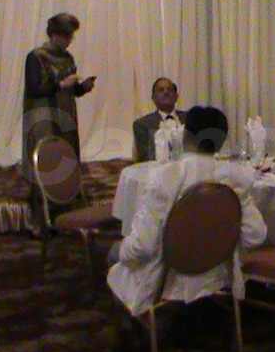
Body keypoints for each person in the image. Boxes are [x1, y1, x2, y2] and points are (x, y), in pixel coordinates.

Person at [108, 106, 266, 319]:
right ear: (221, 141)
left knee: (114, 252)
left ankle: (131, 329)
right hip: (218, 273)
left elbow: (143, 245)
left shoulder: (164, 178)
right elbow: (256, 235)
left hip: (166, 278)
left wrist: (122, 250)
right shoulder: (236, 177)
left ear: (185, 136)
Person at [22, 12, 96, 232]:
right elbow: (34, 88)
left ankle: (66, 215)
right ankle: (41, 220)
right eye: (67, 36)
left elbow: (72, 90)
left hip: (65, 115)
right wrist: (62, 84)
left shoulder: (68, 57)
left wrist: (82, 87)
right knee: (47, 161)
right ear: (54, 34)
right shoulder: (36, 56)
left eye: (71, 36)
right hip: (43, 117)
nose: (69, 40)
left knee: (65, 160)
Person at [132, 77, 186, 162]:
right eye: (161, 90)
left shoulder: (190, 119)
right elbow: (145, 157)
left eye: (170, 89)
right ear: (153, 98)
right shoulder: (142, 125)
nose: (166, 92)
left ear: (176, 97)